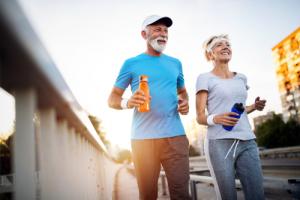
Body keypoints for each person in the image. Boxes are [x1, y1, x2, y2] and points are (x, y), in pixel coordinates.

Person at [108, 15, 190, 200]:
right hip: (143, 139)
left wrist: (185, 103)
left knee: (182, 195)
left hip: (175, 137)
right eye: (157, 29)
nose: (163, 34)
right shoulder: (131, 63)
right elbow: (112, 99)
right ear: (144, 34)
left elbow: (183, 93)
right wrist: (128, 102)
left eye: (166, 30)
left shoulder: (176, 63)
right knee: (147, 196)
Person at [195, 34, 266, 200]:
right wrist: (216, 119)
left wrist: (254, 107)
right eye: (220, 45)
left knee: (257, 195)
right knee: (227, 196)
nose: (226, 47)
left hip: (247, 140)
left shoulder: (241, 78)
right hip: (219, 143)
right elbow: (199, 116)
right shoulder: (204, 78)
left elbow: (238, 111)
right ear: (210, 54)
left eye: (227, 44)